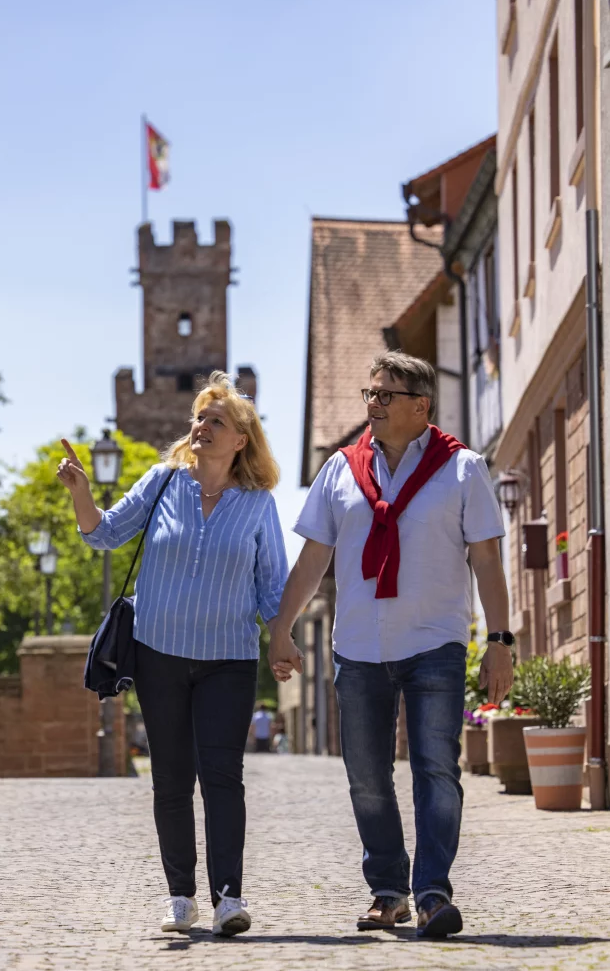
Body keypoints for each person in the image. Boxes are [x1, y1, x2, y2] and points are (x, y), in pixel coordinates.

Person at [269, 353, 514, 939]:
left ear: (420, 406)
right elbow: (312, 558)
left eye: (385, 395)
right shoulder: (340, 470)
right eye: (369, 393)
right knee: (367, 777)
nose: (372, 404)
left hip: (435, 642)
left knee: (436, 769)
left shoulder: (463, 469)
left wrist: (501, 640)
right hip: (357, 646)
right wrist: (281, 627)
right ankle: (387, 891)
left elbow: (486, 559)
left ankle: (431, 893)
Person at [57, 372, 288, 938]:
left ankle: (228, 899)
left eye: (216, 421)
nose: (202, 427)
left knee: (222, 777)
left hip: (228, 660)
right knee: (170, 780)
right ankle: (181, 897)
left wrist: (282, 638)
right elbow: (103, 534)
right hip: (158, 654)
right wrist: (81, 492)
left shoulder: (258, 504)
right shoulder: (163, 482)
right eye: (199, 418)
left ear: (241, 439)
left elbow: (273, 588)